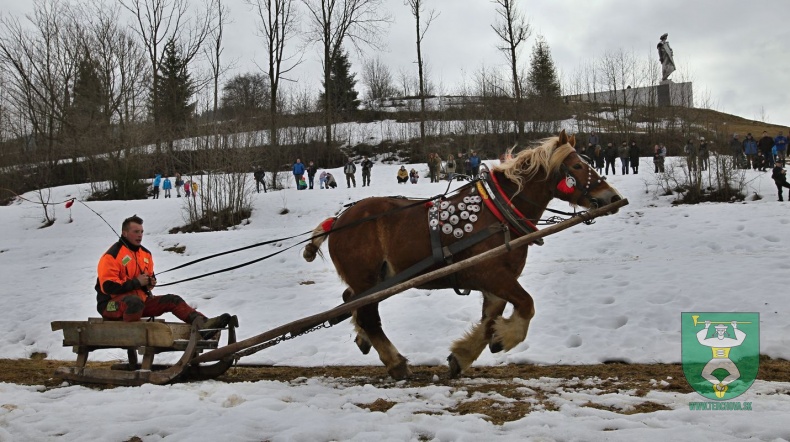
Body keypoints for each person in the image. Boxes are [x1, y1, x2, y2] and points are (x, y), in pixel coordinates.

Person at [95, 215, 231, 334]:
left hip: (140, 303)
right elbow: (108, 287)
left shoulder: (145, 254)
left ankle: (203, 326)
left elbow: (148, 280)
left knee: (173, 300)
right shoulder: (112, 256)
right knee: (134, 302)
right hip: (110, 306)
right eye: (136, 232)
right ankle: (131, 337)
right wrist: (137, 282)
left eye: (141, 232)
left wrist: (150, 283)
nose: (140, 235)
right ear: (125, 233)